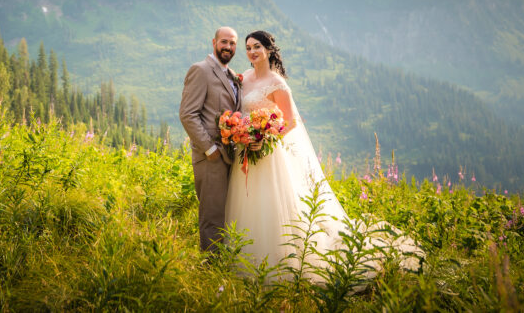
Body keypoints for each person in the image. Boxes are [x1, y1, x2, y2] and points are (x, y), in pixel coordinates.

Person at [224, 30, 421, 278]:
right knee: (247, 201)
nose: (251, 52)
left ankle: (279, 263)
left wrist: (263, 139)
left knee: (269, 204)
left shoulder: (278, 84)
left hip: (268, 154)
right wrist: (241, 131)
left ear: (269, 51)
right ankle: (243, 260)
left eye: (257, 47)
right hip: (245, 151)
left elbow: (291, 122)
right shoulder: (244, 77)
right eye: (248, 47)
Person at [179, 26, 242, 253]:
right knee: (212, 216)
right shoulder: (201, 70)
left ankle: (225, 264)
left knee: (227, 214)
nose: (228, 47)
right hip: (211, 158)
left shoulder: (232, 75)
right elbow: (188, 114)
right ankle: (210, 270)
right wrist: (209, 149)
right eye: (224, 42)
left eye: (232, 43)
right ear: (213, 42)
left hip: (231, 156)